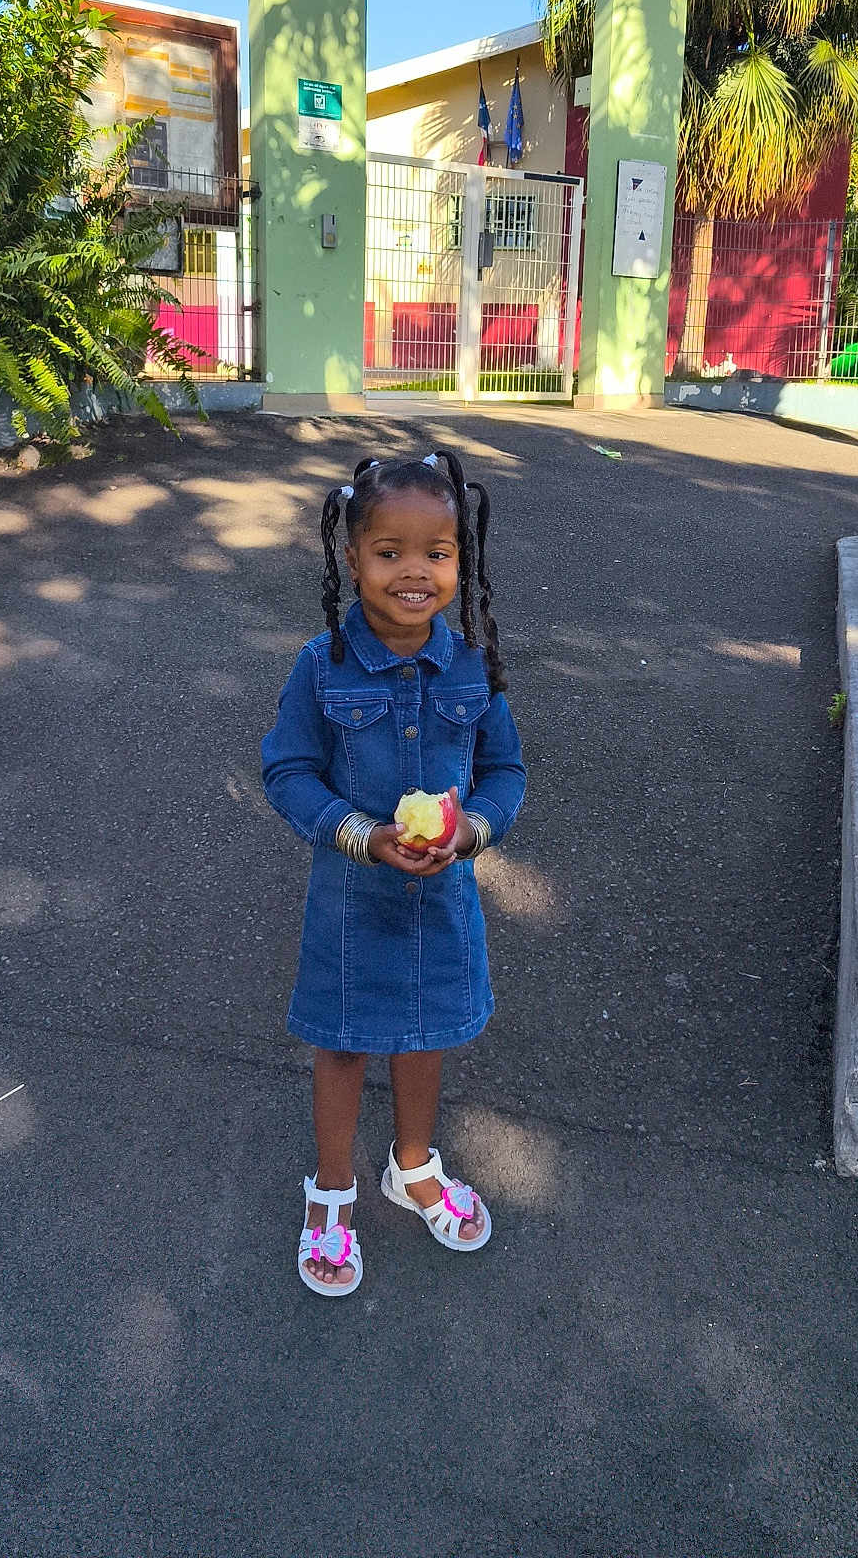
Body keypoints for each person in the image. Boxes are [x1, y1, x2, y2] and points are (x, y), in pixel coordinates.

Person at [262, 448, 526, 1298]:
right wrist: (359, 833)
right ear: (352, 559)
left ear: (460, 560)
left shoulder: (473, 665)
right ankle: (332, 1188)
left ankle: (411, 1167)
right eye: (389, 552)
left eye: (436, 553)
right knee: (343, 1045)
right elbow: (288, 770)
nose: (414, 571)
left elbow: (505, 772)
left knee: (426, 1036)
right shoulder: (322, 665)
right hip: (350, 902)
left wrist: (472, 830)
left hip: (442, 899)